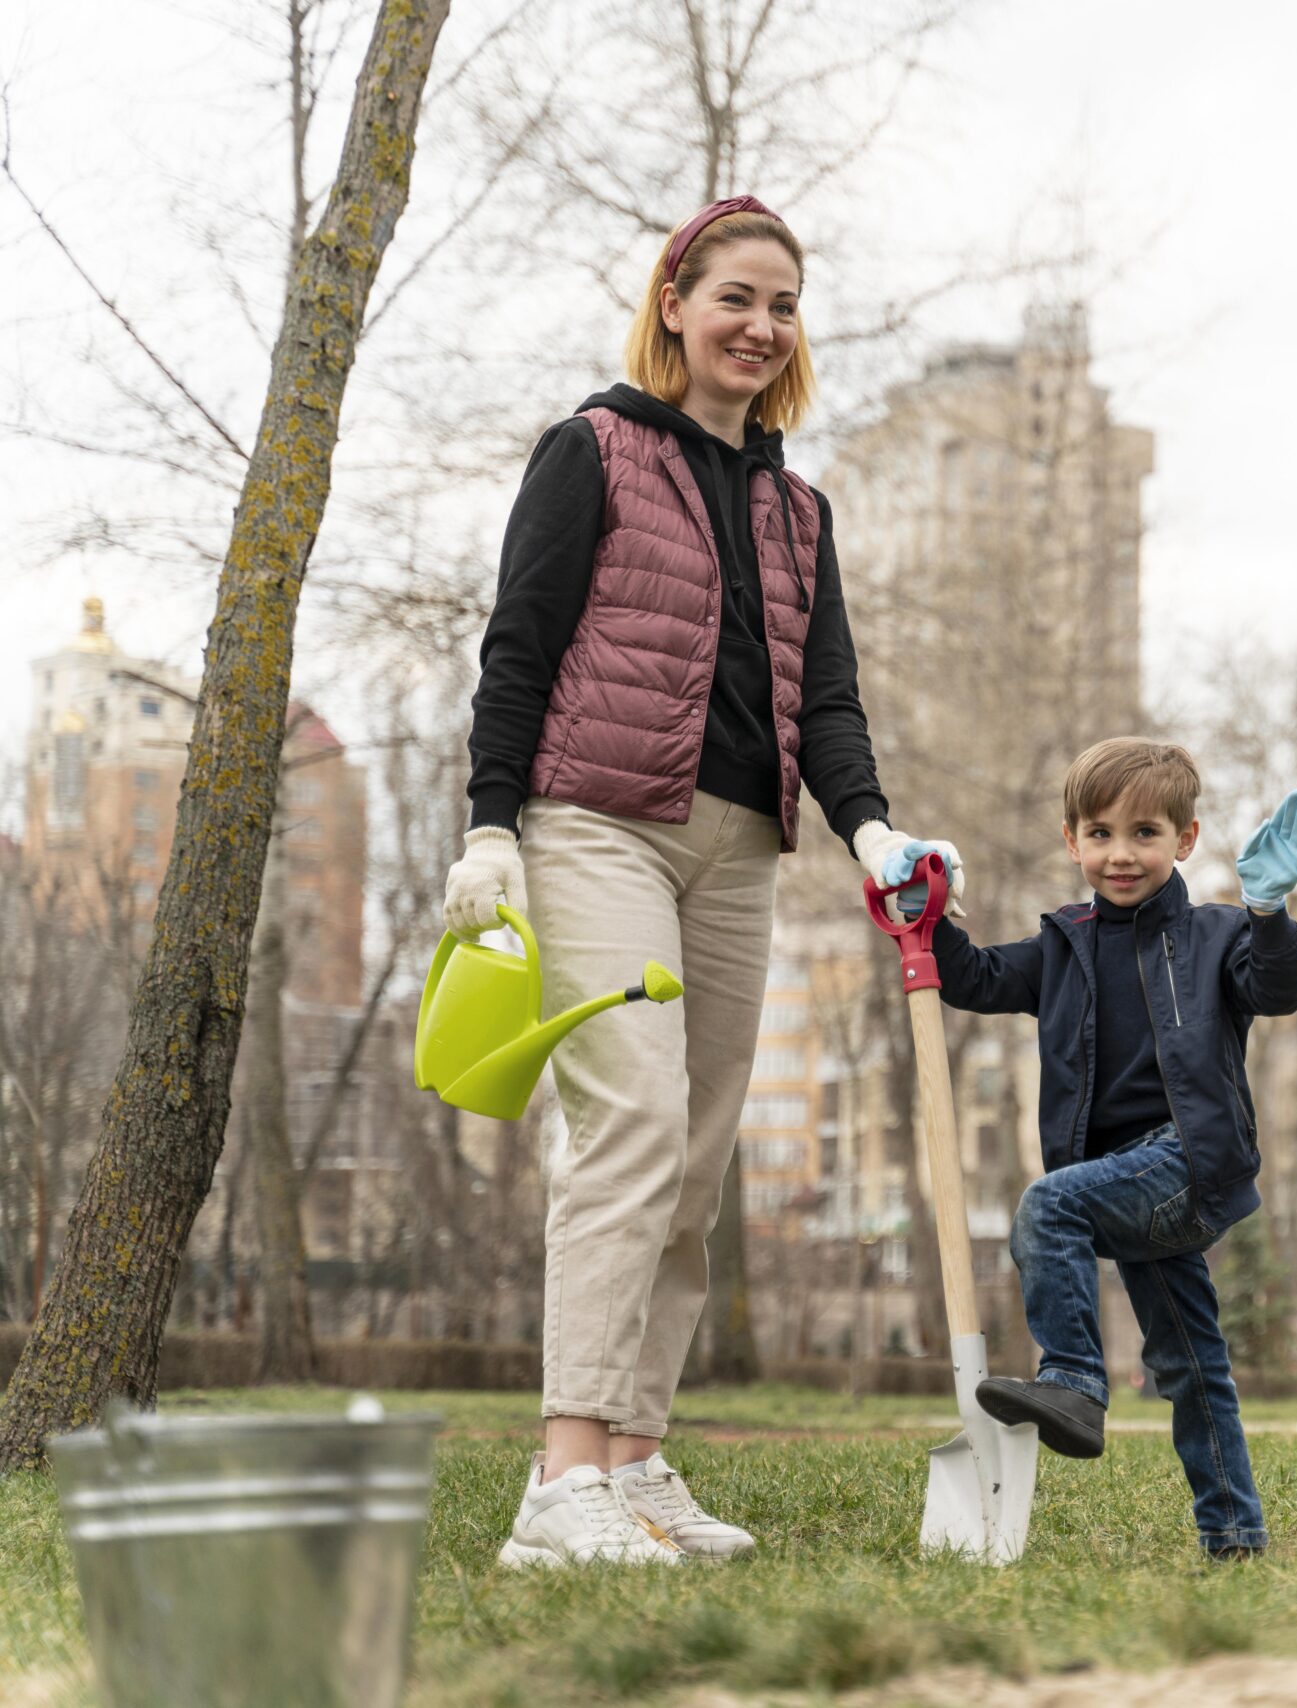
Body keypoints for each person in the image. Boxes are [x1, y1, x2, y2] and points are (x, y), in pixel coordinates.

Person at [448, 194, 961, 1567]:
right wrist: (491, 826)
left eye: (783, 305)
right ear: (675, 300)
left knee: (696, 1153)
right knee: (629, 1125)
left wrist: (870, 834)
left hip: (739, 848)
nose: (760, 324)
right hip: (595, 824)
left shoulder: (799, 509)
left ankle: (637, 1458)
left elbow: (830, 702)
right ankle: (560, 1487)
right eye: (736, 295)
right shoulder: (593, 452)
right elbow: (521, 647)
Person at [921, 739, 1297, 1558]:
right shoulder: (1062, 946)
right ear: (1072, 842)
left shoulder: (1217, 937)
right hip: (1123, 1184)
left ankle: (1073, 1381)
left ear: (1187, 838)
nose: (1121, 853)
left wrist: (1272, 914)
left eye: (1145, 832)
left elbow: (1279, 989)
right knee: (1190, 1363)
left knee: (1048, 1202)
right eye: (1099, 834)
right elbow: (973, 980)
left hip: (1188, 1162)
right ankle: (1235, 1532)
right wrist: (933, 912)